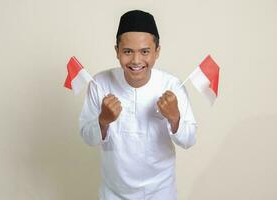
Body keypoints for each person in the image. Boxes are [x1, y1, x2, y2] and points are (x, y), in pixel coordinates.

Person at [79, 10, 197, 200]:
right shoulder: (99, 83)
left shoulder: (173, 86)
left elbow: (189, 140)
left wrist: (175, 118)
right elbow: (88, 138)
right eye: (127, 51)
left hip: (161, 193)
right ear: (117, 51)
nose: (136, 60)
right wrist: (103, 121)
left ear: (157, 51)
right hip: (112, 194)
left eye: (145, 51)